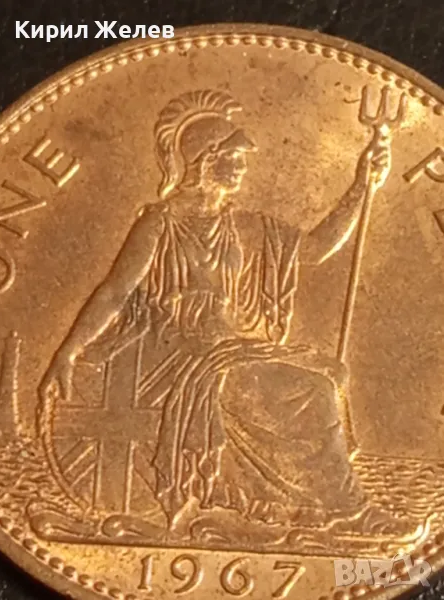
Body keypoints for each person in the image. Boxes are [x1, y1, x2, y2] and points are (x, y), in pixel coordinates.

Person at [39, 89, 409, 539]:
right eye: (233, 156)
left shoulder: (245, 226)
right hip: (181, 354)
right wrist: (68, 350)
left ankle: (306, 504)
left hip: (234, 349)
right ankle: (350, 511)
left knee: (328, 374)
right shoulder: (159, 223)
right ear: (204, 160)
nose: (242, 165)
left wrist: (360, 187)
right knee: (311, 388)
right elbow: (116, 291)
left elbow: (314, 249)